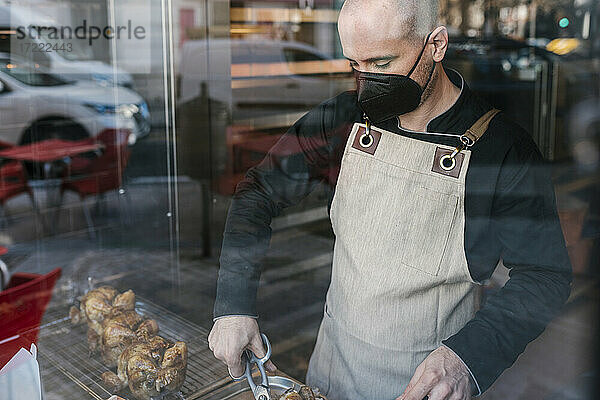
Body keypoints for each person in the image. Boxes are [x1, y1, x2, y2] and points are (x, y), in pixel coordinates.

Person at [208, 0, 572, 399]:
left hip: (426, 384)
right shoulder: (345, 118)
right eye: (355, 65)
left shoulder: (502, 149)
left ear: (436, 45)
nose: (366, 82)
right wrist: (233, 305)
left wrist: (467, 359)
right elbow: (259, 192)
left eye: (381, 64)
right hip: (330, 368)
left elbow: (544, 276)